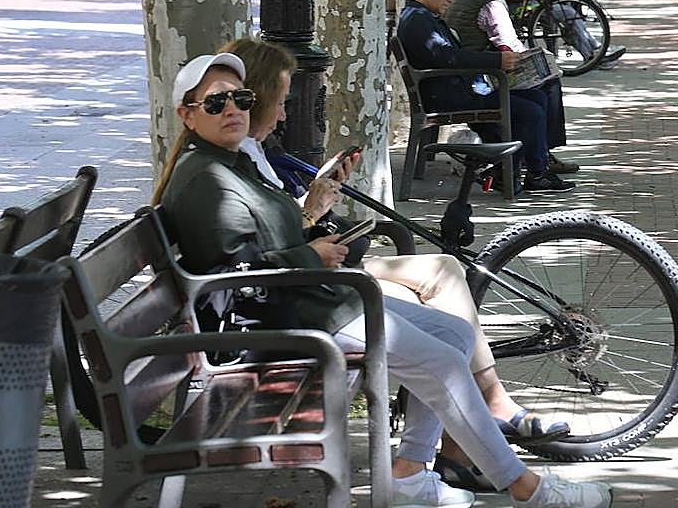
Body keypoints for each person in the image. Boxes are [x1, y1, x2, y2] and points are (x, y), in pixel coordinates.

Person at [155, 53, 611, 508]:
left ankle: (409, 474)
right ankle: (528, 490)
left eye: (241, 98)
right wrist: (311, 254)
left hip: (314, 301)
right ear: (187, 114)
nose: (233, 109)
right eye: (216, 103)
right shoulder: (207, 181)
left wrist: (315, 232)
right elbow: (243, 279)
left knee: (452, 334)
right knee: (443, 364)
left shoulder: (231, 163)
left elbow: (271, 243)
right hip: (286, 324)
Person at [397, 0, 574, 194]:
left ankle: (515, 170)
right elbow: (447, 58)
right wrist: (496, 62)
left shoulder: (420, 15)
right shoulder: (418, 19)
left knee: (536, 98)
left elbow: (447, 56)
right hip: (450, 96)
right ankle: (529, 173)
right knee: (531, 111)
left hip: (457, 88)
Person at [445, 0, 580, 176]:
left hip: (460, 74)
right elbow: (508, 44)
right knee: (548, 84)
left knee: (538, 90)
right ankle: (542, 155)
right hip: (478, 78)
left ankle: (536, 156)